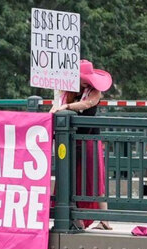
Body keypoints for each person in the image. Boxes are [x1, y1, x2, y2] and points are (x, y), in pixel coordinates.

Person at [50, 59, 112, 230]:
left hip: (90, 139)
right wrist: (58, 105)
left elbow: (87, 104)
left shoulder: (94, 92)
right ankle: (77, 219)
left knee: (95, 177)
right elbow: (56, 107)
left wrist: (66, 106)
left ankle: (104, 219)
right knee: (72, 178)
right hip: (71, 141)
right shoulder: (65, 92)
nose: (86, 82)